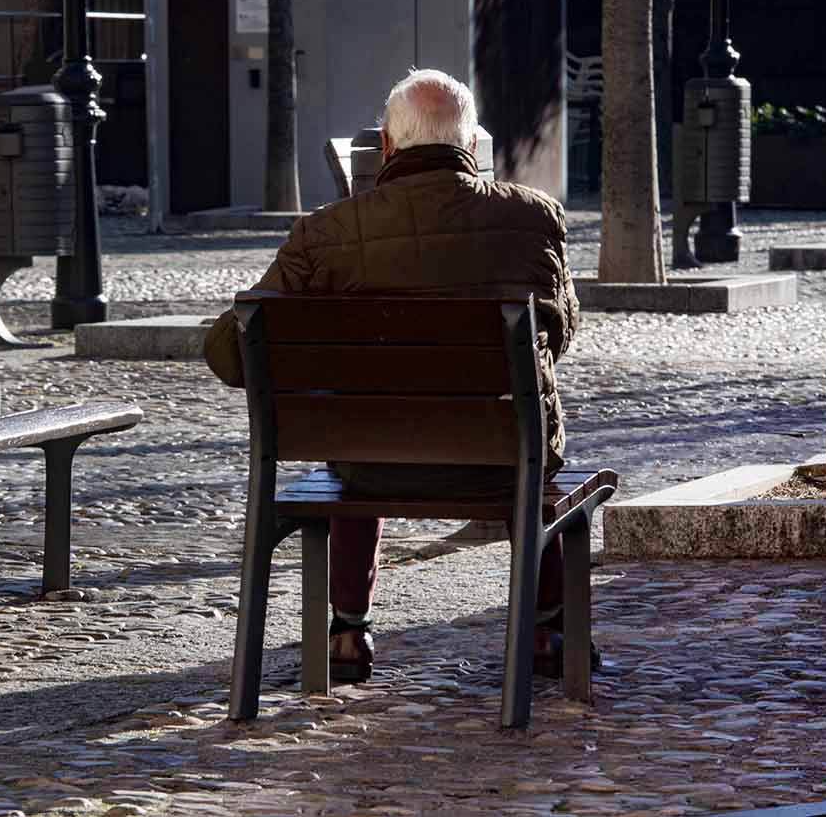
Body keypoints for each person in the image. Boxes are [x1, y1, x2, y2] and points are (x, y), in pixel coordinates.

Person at [205, 69, 582, 684]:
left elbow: (230, 353)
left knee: (364, 428)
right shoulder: (533, 219)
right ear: (472, 146)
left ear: (386, 144)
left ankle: (348, 631)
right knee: (527, 452)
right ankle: (545, 633)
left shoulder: (324, 234)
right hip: (503, 457)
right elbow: (558, 333)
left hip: (369, 461)